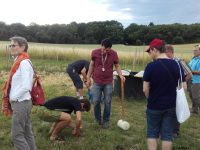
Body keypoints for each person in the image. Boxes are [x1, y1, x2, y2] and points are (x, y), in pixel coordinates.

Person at [143, 38, 185, 150]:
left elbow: (145, 89)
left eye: (150, 51)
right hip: (171, 106)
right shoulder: (177, 64)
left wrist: (150, 99)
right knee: (167, 135)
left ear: (155, 50)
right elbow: (182, 86)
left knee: (152, 133)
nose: (149, 54)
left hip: (154, 106)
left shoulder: (150, 66)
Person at [2, 36, 36, 150]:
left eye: (14, 45)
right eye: (10, 45)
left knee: (16, 136)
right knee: (27, 133)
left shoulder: (24, 63)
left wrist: (13, 98)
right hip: (23, 102)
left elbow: (27, 86)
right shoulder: (19, 61)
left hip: (21, 102)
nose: (11, 47)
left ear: (23, 47)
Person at [86, 38, 125, 129]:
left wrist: (120, 75)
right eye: (103, 49)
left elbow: (117, 66)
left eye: (106, 50)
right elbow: (91, 65)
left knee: (108, 102)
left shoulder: (114, 54)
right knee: (96, 101)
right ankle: (97, 120)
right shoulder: (95, 52)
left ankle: (106, 121)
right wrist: (88, 77)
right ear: (101, 46)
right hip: (97, 81)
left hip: (108, 82)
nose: (103, 51)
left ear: (110, 49)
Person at [165, 44, 192, 138]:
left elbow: (189, 74)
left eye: (165, 52)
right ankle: (167, 129)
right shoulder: (164, 62)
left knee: (177, 110)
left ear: (170, 52)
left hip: (177, 90)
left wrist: (181, 82)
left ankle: (175, 132)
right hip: (167, 91)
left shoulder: (179, 61)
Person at [188, 44, 200, 114]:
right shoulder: (193, 59)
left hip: (197, 81)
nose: (194, 52)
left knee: (196, 97)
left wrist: (190, 71)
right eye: (193, 50)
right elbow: (189, 67)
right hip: (191, 80)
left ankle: (196, 110)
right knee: (191, 96)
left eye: (196, 50)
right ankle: (195, 110)